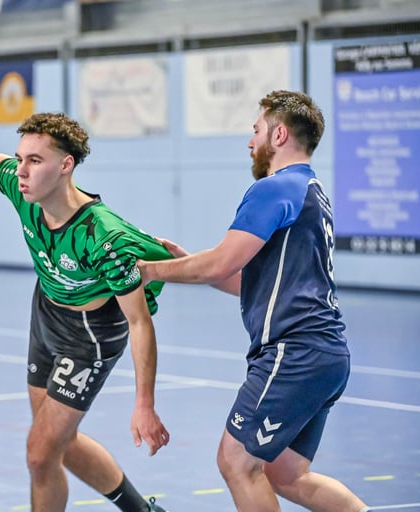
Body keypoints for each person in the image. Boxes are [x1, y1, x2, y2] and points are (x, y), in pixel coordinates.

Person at [0, 112, 171, 512]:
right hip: (45, 314)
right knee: (59, 444)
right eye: (19, 158)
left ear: (66, 165)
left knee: (40, 454)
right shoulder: (23, 190)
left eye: (35, 161)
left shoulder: (103, 238)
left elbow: (139, 323)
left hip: (89, 336)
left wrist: (144, 404)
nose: (21, 171)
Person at [138, 90, 368, 512]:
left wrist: (148, 271)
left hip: (294, 353)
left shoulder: (274, 188)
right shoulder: (311, 190)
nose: (250, 142)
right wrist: (188, 262)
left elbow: (220, 262)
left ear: (279, 135)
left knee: (236, 462)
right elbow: (251, 280)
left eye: (256, 130)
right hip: (326, 356)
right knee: (286, 474)